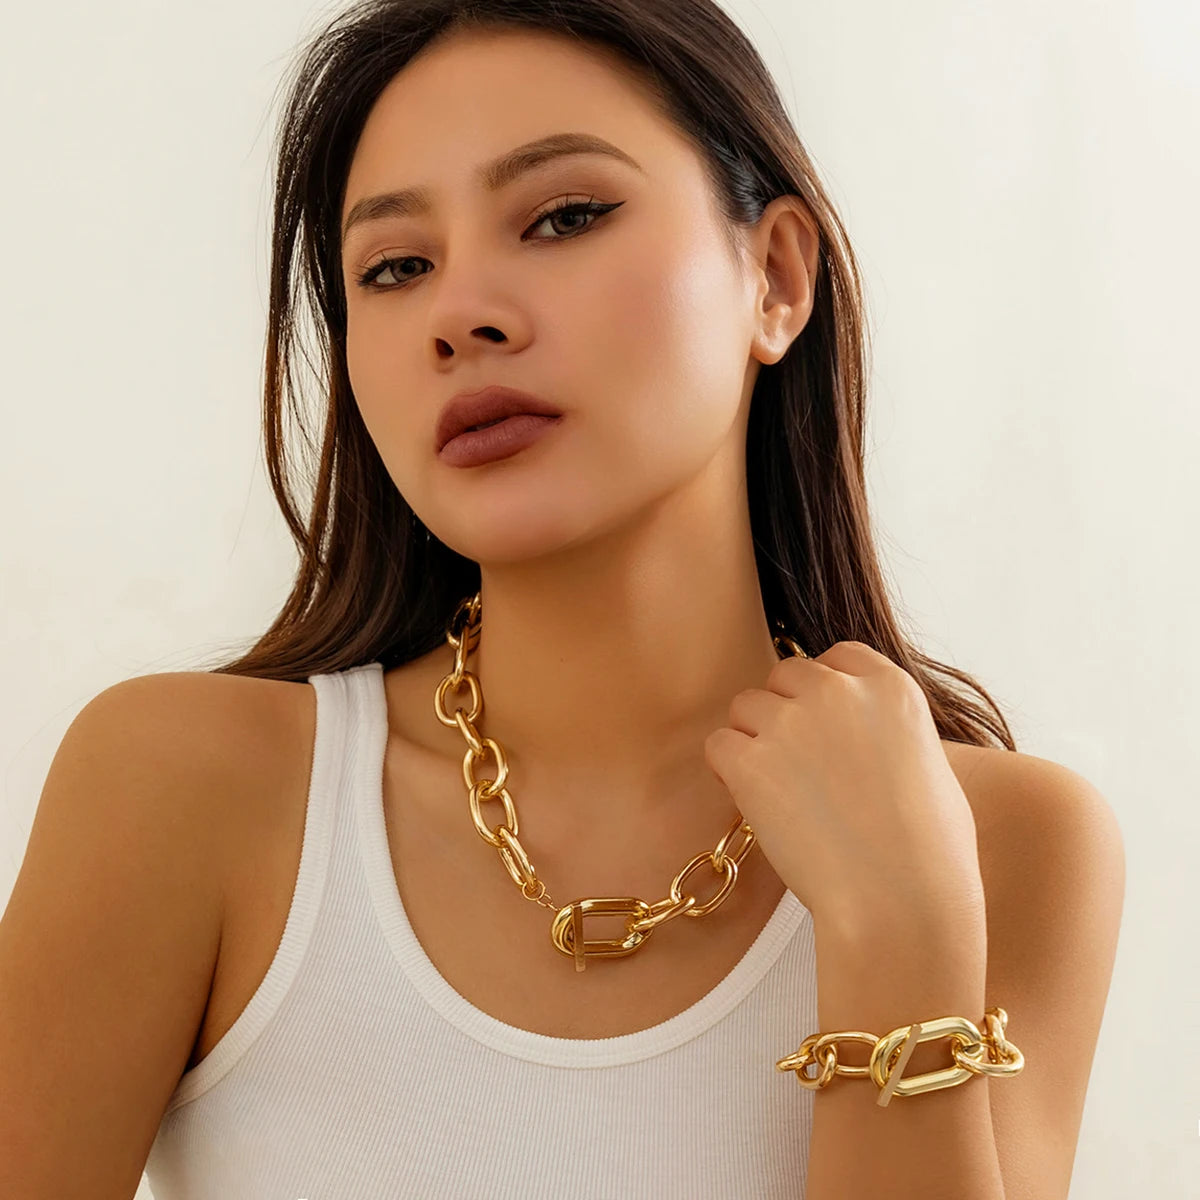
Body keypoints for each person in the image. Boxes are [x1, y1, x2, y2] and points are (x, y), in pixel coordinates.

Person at [0, 1, 1125, 1197]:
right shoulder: (189, 793)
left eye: (566, 216)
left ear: (776, 276)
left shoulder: (1006, 845)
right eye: (396, 268)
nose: (460, 315)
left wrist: (901, 935)